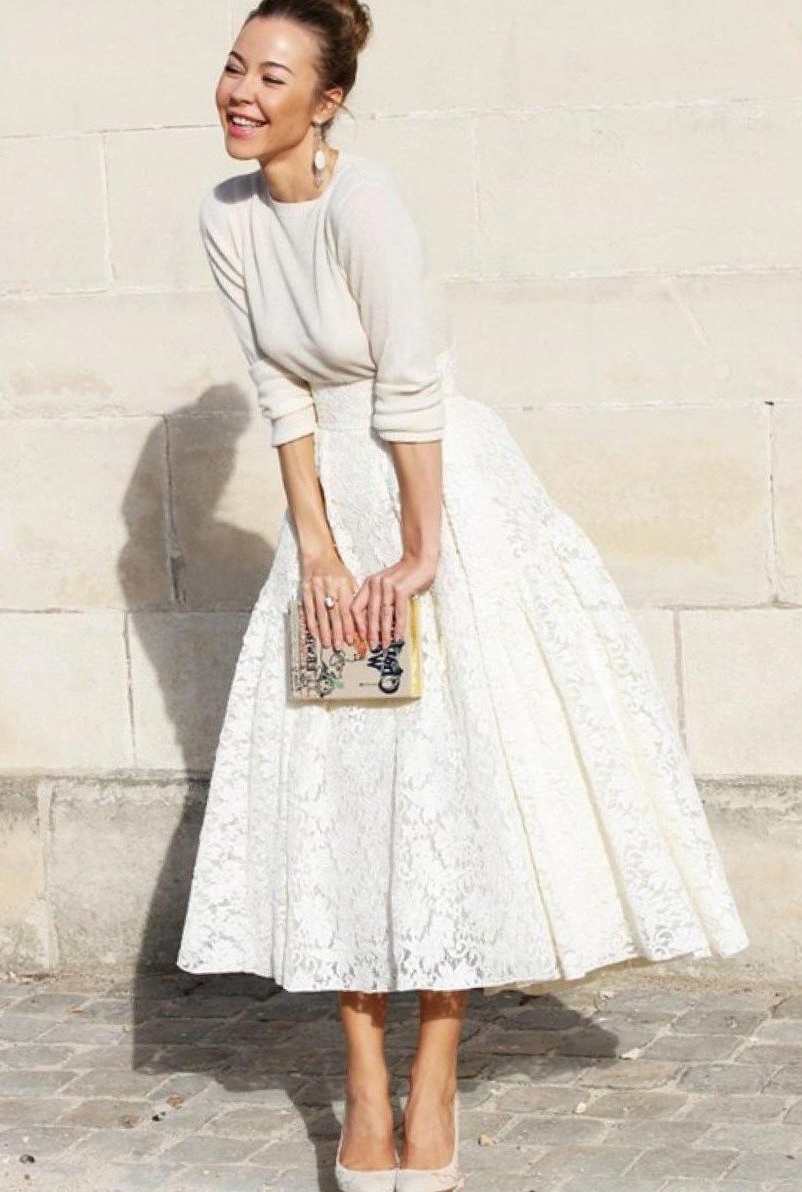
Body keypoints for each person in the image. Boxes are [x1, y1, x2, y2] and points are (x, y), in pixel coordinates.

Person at [176, 2, 750, 1188]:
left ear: (326, 102)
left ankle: (432, 1073)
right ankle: (360, 1082)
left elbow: (409, 381)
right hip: (333, 507)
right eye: (235, 66)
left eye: (272, 75)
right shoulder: (224, 214)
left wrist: (422, 549)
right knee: (339, 789)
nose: (241, 90)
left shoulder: (366, 202)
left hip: (435, 485)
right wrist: (317, 548)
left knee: (449, 783)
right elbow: (280, 390)